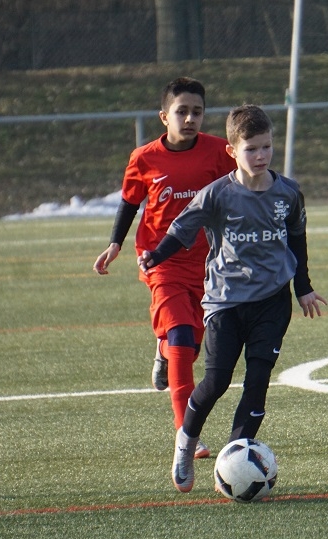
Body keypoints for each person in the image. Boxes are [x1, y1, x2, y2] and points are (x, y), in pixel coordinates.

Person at [138, 104, 327, 493]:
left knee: (258, 379)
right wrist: (156, 256)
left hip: (272, 301)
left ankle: (235, 458)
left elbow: (297, 238)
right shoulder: (217, 195)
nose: (260, 156)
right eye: (251, 149)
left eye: (266, 147)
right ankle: (185, 441)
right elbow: (180, 231)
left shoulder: (288, 193)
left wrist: (303, 286)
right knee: (217, 379)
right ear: (232, 151)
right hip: (225, 301)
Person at [93, 77, 235, 460]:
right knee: (181, 339)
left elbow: (237, 189)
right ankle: (186, 433)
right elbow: (129, 202)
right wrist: (115, 243)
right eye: (181, 111)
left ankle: (163, 349)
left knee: (189, 346)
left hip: (207, 264)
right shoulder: (144, 158)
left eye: (197, 112)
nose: (189, 118)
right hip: (160, 261)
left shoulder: (219, 152)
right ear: (164, 117)